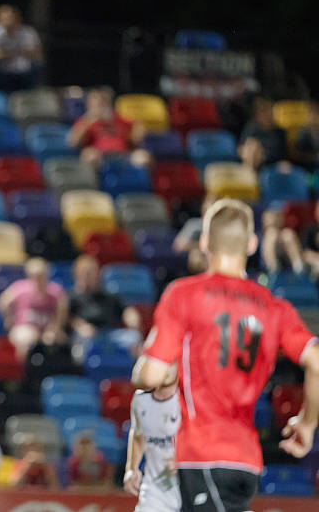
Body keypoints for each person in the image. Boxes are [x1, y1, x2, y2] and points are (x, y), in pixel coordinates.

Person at [133, 198, 319, 512]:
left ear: (205, 242)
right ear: (252, 244)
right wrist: (308, 422)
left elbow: (152, 375)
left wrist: (144, 368)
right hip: (245, 458)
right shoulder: (275, 307)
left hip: (200, 453)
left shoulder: (184, 295)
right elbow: (315, 361)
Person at [0, 257, 68, 361]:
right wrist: (9, 319)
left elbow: (62, 309)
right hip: (24, 327)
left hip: (47, 329)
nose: (38, 279)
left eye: (41, 275)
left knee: (54, 340)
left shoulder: (55, 290)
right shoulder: (20, 287)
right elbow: (2, 302)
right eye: (35, 275)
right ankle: (23, 368)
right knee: (25, 338)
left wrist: (56, 327)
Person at [124, 383, 181, 512]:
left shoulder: (192, 397)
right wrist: (132, 468)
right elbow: (138, 434)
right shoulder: (141, 399)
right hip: (155, 493)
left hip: (191, 489)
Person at [67, 86, 152, 169]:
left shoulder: (119, 119)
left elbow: (137, 131)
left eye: (104, 102)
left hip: (123, 155)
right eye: (98, 103)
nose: (101, 106)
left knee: (143, 157)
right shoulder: (85, 121)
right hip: (100, 156)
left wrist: (138, 131)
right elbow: (73, 142)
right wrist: (90, 119)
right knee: (90, 155)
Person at [69, 254, 140, 340]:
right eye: (85, 273)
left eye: (92, 272)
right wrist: (80, 326)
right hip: (86, 335)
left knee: (133, 337)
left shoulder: (108, 294)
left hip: (111, 334)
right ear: (76, 274)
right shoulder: (71, 297)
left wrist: (130, 315)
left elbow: (126, 309)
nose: (90, 276)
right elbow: (67, 319)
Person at [0, 5, 42, 92]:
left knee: (38, 64)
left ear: (18, 19)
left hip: (21, 67)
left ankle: (34, 92)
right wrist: (12, 53)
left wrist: (5, 53)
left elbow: (36, 54)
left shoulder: (28, 32)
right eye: (4, 18)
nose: (8, 21)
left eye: (11, 18)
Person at [240, 97, 287, 165]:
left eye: (271, 110)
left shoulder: (280, 131)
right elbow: (241, 148)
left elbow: (283, 155)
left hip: (275, 165)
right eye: (264, 111)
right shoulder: (251, 128)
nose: (268, 114)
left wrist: (284, 162)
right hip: (256, 164)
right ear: (257, 114)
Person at [261, 204, 305, 274]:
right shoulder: (264, 236)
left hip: (288, 262)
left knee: (288, 235)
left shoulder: (286, 234)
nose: (274, 219)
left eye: (276, 217)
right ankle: (272, 269)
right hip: (266, 267)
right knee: (270, 236)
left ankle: (299, 269)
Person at [295, 100, 319, 168]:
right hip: (308, 166)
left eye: (316, 115)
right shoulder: (303, 132)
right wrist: (314, 157)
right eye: (311, 116)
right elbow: (298, 154)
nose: (314, 119)